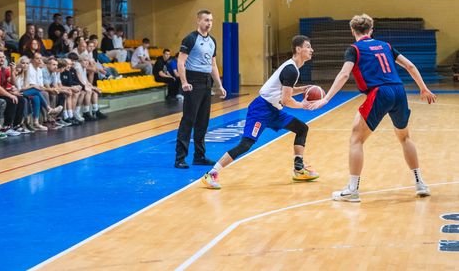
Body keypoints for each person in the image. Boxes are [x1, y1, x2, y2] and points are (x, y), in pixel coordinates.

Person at [310, 14, 436, 202]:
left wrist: (326, 98)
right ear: (371, 30)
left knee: (356, 138)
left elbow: (344, 75)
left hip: (379, 93)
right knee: (405, 137)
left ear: (352, 30)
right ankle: (420, 184)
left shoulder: (354, 49)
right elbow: (410, 65)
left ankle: (352, 190)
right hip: (399, 91)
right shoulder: (386, 46)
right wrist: (423, 88)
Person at [201, 35, 319, 188]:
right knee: (246, 144)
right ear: (298, 49)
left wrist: (303, 89)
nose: (311, 50)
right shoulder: (291, 70)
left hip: (274, 110)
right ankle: (211, 174)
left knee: (302, 128)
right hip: (261, 109)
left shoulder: (293, 68)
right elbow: (286, 100)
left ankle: (298, 169)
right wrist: (303, 105)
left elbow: (284, 91)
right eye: (308, 46)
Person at [175, 10, 227, 169]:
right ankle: (180, 158)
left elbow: (213, 65)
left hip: (206, 82)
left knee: (203, 121)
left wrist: (219, 85)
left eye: (211, 20)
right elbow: (181, 62)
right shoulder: (190, 39)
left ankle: (199, 156)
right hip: (193, 81)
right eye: (206, 20)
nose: (209, 23)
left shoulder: (212, 41)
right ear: (198, 21)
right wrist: (184, 82)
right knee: (188, 120)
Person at [0, 50, 27, 136]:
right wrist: (10, 95)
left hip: (1, 93)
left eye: (3, 57)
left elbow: (13, 82)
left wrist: (12, 71)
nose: (2, 59)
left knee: (21, 99)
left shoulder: (4, 69)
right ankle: (7, 127)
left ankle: (16, 125)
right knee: (11, 100)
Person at [14, 56, 62, 131]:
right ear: (19, 64)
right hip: (17, 93)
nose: (25, 65)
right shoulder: (16, 72)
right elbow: (19, 89)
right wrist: (33, 86)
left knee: (36, 97)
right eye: (23, 63)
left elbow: (26, 86)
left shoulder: (26, 72)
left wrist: (32, 86)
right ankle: (49, 109)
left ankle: (36, 123)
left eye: (27, 63)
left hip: (24, 92)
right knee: (36, 90)